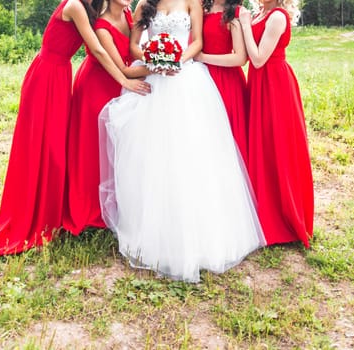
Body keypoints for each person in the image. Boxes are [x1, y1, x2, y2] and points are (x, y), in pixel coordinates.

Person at [0, 0, 150, 259]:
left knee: (57, 145)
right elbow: (96, 49)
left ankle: (53, 204)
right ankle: (35, 210)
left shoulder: (96, 9)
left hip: (61, 76)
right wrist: (123, 79)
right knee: (43, 145)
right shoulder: (75, 5)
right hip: (46, 75)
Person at [98, 0, 266, 282]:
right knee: (152, 155)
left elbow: (197, 41)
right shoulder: (143, 6)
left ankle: (199, 234)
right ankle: (152, 231)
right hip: (154, 77)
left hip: (185, 78)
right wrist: (153, 61)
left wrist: (176, 59)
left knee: (193, 154)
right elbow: (133, 47)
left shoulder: (192, 2)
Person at [63, 0, 151, 234]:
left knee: (118, 144)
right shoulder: (101, 25)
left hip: (119, 85)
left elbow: (134, 50)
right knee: (94, 147)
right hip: (97, 85)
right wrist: (161, 66)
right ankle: (91, 209)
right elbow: (121, 68)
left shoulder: (128, 15)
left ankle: (118, 203)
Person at [239, 0, 314, 247]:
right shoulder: (261, 12)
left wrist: (246, 27)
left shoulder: (278, 16)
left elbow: (258, 59)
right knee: (262, 145)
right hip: (259, 84)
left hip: (275, 85)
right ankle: (262, 210)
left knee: (278, 146)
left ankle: (283, 219)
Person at [195, 0, 248, 164]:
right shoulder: (201, 7)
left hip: (226, 81)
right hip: (199, 78)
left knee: (225, 134)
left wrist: (203, 58)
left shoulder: (234, 13)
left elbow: (240, 57)